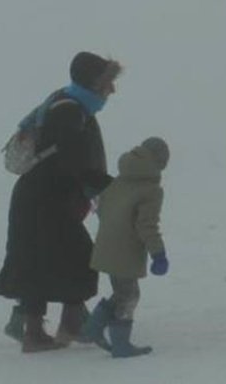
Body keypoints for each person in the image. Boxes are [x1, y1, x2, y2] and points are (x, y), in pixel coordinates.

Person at [0, 52, 119, 353]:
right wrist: (107, 186)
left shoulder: (66, 102)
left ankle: (42, 331)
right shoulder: (70, 111)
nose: (112, 90)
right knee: (80, 257)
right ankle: (60, 327)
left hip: (41, 197)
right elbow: (75, 161)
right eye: (107, 83)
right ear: (93, 83)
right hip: (45, 200)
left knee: (42, 262)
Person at [84, 137, 171, 358]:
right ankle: (120, 344)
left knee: (122, 292)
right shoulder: (150, 190)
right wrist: (158, 254)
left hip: (106, 245)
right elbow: (146, 225)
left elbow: (101, 208)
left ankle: (93, 327)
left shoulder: (120, 180)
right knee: (130, 295)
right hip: (125, 250)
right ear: (160, 162)